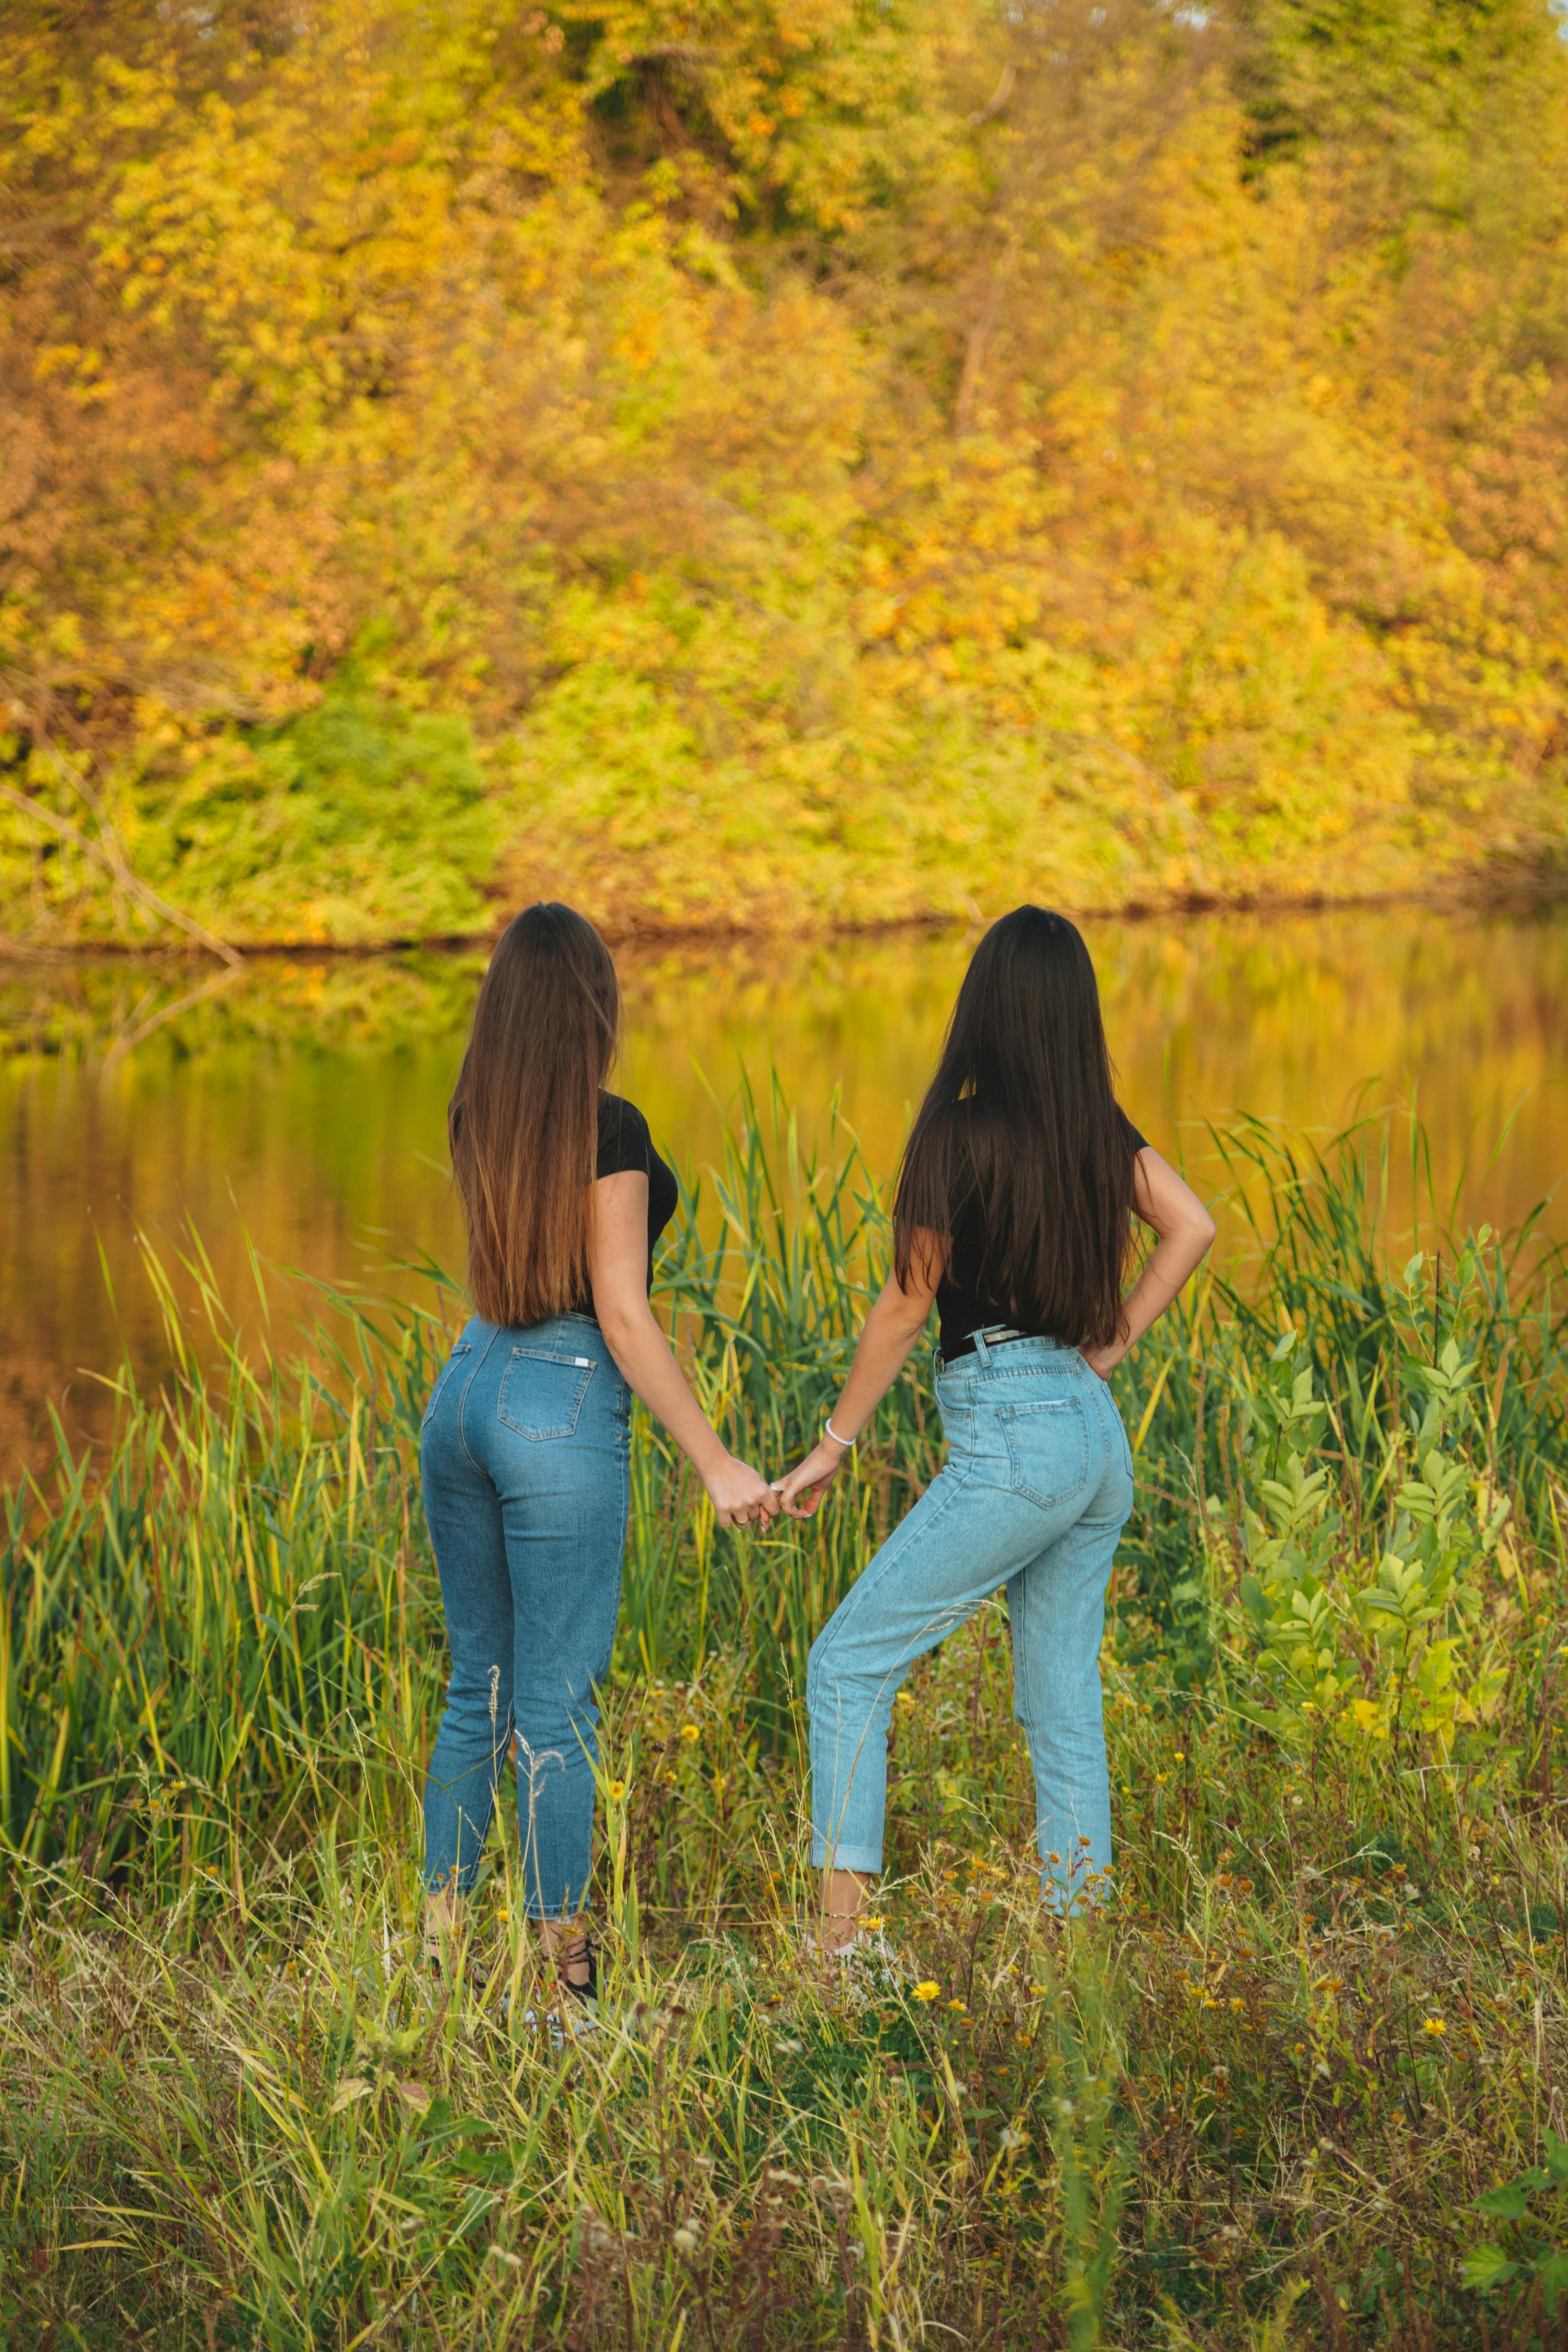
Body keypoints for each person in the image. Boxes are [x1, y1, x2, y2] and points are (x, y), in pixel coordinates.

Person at [774, 906, 1216, 1950]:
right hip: (1092, 1437)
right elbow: (1191, 1225)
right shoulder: (1096, 1129)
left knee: (846, 1666)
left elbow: (905, 1304)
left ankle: (842, 1963)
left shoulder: (956, 1133)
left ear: (985, 1008)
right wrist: (1105, 1351)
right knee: (1061, 1702)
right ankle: (1080, 1956)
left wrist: (831, 1448)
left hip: (1018, 1435)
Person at [420, 902, 779, 2001]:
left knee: (475, 1690)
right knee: (558, 1710)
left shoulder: (476, 1109)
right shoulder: (609, 1129)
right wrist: (717, 1462)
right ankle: (567, 1987)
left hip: (466, 1388)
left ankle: (432, 1966)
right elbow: (622, 1313)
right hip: (559, 1400)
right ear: (592, 1007)